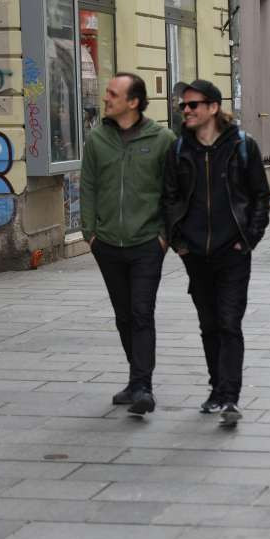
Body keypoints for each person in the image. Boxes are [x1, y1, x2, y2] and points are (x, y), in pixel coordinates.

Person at [161, 79, 270, 427]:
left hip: (233, 251)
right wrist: (179, 242)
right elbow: (169, 197)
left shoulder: (241, 145)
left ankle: (231, 396)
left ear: (212, 107)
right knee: (208, 323)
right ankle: (216, 389)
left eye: (193, 105)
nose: (186, 111)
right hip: (195, 253)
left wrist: (248, 239)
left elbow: (259, 196)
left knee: (229, 322)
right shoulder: (179, 149)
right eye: (183, 106)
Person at [81, 73, 175, 416]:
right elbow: (87, 185)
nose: (105, 98)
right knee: (123, 316)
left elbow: (172, 190)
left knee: (141, 312)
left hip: (147, 243)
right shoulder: (97, 139)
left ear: (133, 102)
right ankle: (135, 380)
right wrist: (89, 232)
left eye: (112, 93)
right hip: (106, 243)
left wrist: (164, 235)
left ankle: (143, 387)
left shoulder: (162, 138)